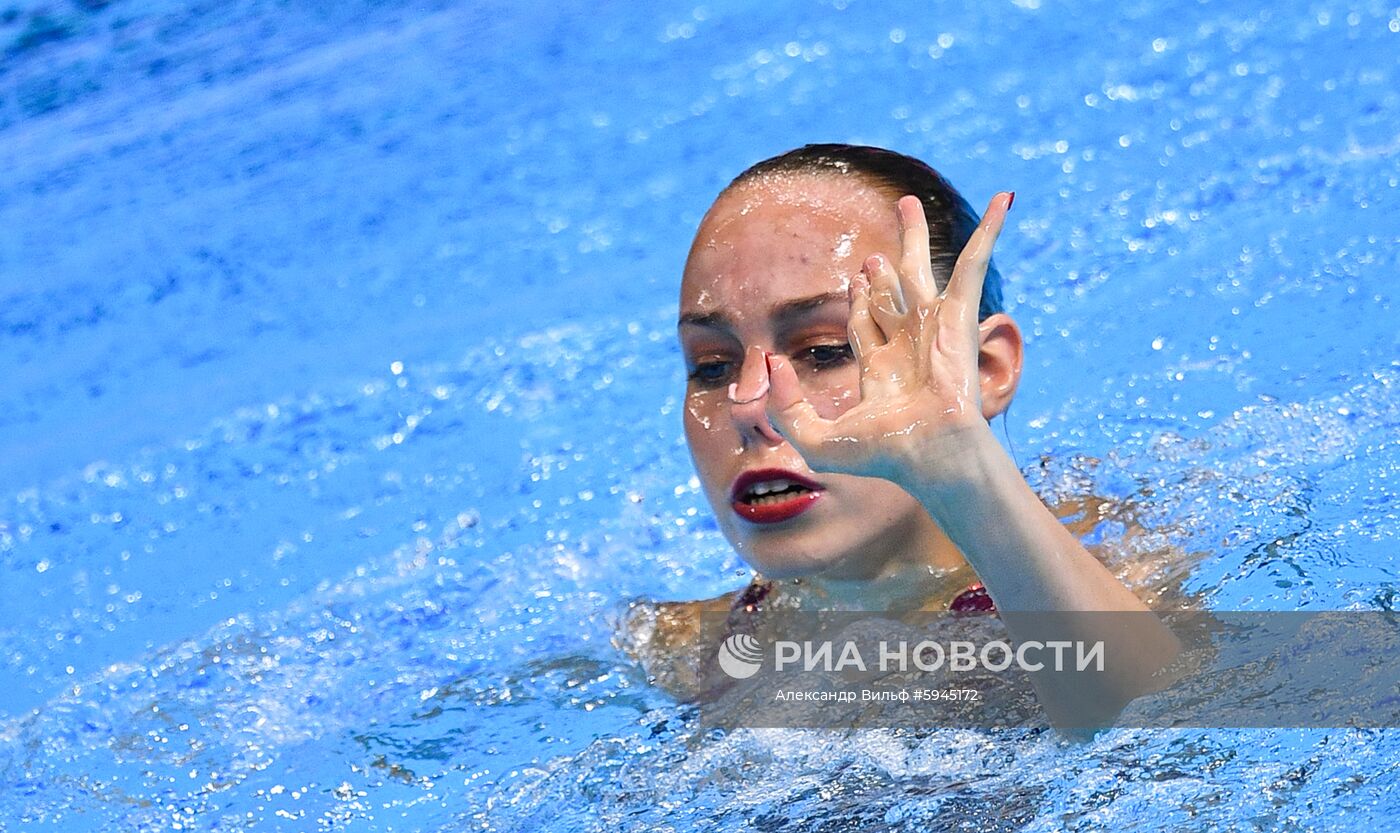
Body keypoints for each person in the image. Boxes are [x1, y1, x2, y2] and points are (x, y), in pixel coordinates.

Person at [623, 143, 1184, 732]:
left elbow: (1167, 724)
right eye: (711, 365)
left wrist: (958, 466)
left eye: (827, 351)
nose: (748, 402)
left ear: (986, 369)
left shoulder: (1133, 575)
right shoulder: (689, 650)